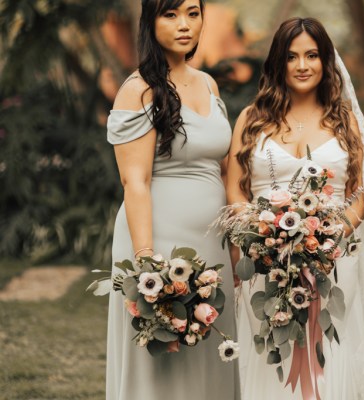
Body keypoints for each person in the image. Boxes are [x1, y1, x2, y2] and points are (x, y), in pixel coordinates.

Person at [226, 17, 364, 400]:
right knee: (270, 355)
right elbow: (235, 188)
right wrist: (261, 239)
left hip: (333, 261)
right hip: (266, 262)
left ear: (326, 60)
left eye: (312, 55)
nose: (303, 65)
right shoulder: (252, 119)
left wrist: (332, 235)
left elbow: (361, 192)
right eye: (292, 56)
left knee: (332, 353)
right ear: (279, 62)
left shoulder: (344, 122)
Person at [105, 0, 239, 398]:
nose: (185, 24)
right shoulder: (138, 89)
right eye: (171, 14)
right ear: (151, 20)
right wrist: (148, 264)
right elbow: (136, 182)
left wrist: (236, 234)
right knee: (163, 354)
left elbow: (225, 166)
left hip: (211, 241)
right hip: (159, 240)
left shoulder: (208, 84)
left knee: (210, 345)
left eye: (193, 13)